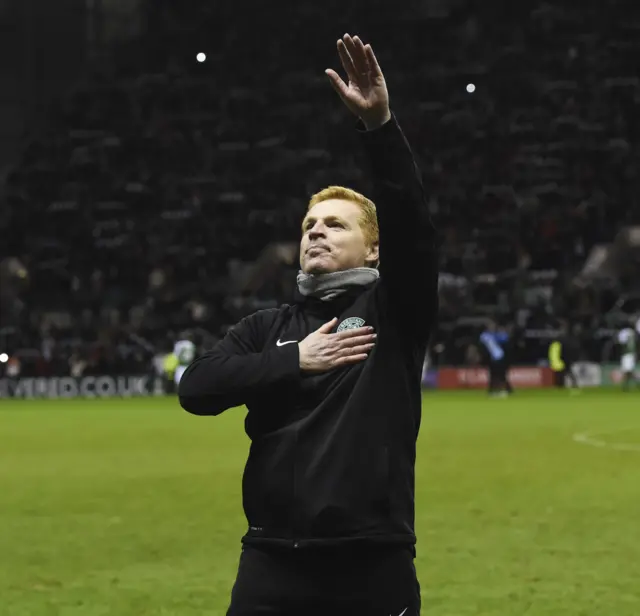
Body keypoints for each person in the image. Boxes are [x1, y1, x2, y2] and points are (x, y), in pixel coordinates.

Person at [178, 34, 437, 616]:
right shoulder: (265, 327)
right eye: (309, 225)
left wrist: (380, 128)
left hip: (372, 564)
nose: (316, 231)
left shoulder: (394, 314)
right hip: (272, 564)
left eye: (336, 225)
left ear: (374, 251)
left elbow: (413, 225)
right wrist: (295, 359)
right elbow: (196, 389)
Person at [479, 320, 513, 397]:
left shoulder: (500, 335)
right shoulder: (485, 336)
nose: (492, 327)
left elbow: (506, 342)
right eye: (490, 325)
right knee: (493, 374)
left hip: (501, 357)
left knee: (501, 374)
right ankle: (493, 389)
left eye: (492, 325)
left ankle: (505, 388)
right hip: (492, 357)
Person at [548, 322, 580, 391]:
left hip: (562, 359)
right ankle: (570, 385)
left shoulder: (558, 341)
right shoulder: (562, 340)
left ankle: (562, 386)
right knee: (566, 373)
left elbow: (556, 351)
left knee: (564, 373)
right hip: (562, 359)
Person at [617, 322, 637, 391]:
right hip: (631, 354)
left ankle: (626, 386)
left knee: (627, 371)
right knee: (629, 371)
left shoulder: (623, 332)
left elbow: (622, 343)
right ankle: (627, 386)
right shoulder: (632, 332)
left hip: (626, 354)